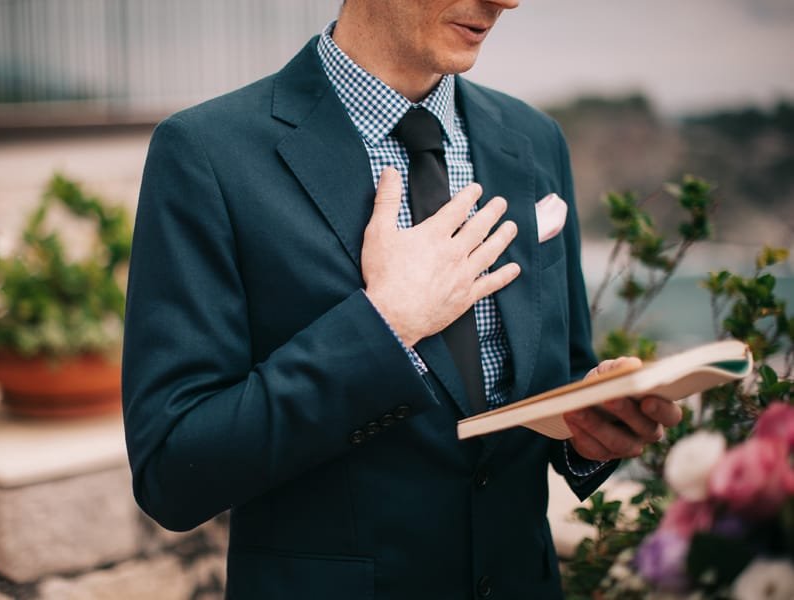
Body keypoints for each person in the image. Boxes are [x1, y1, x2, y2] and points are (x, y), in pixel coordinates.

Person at [121, 1, 683, 598]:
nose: (507, 1)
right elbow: (172, 472)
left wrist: (590, 430)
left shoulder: (534, 139)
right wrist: (385, 324)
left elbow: (559, 377)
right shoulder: (208, 153)